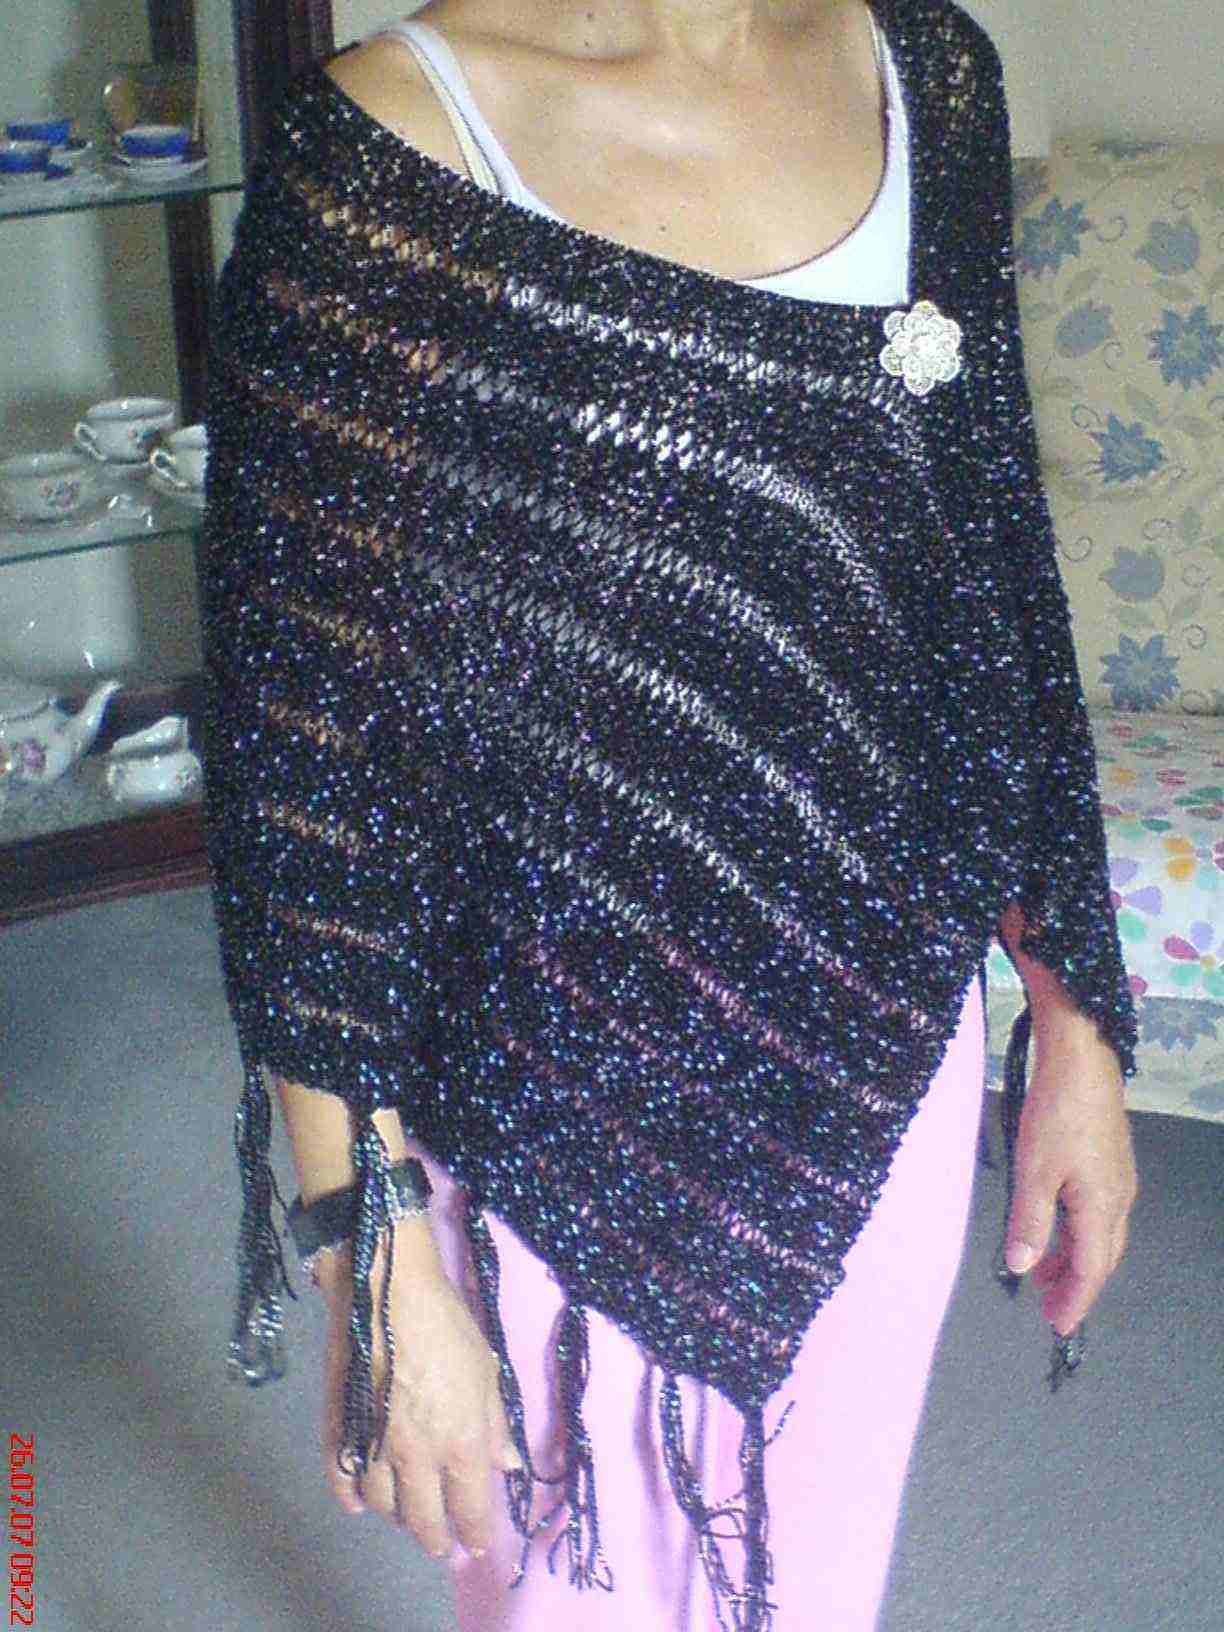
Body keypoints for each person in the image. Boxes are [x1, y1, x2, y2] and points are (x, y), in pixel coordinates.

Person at [197, 0, 1139, 1627]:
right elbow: (306, 764)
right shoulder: (385, 150)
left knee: (818, 1579)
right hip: (543, 1076)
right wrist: (372, 1244)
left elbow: (990, 568)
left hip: (878, 1045)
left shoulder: (931, 73)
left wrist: (1072, 1016)